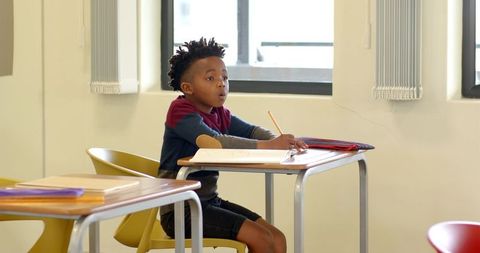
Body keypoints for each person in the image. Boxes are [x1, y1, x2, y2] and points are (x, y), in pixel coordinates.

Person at [158, 37, 307, 253]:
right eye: (210, 78)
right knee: (262, 239)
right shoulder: (180, 112)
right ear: (188, 87)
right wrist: (270, 146)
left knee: (276, 238)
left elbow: (252, 131)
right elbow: (214, 144)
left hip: (208, 202)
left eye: (225, 77)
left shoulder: (219, 113)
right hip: (180, 210)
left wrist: (281, 141)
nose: (221, 83)